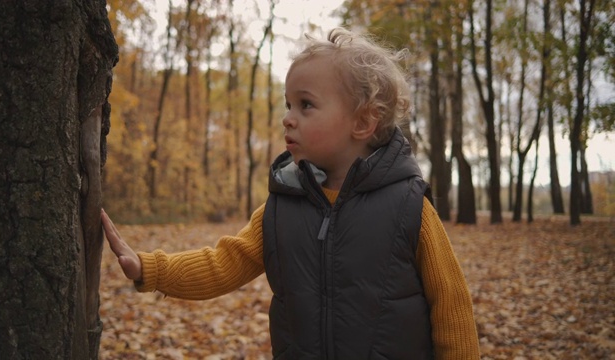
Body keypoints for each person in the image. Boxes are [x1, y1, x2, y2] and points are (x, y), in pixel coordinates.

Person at [102, 27, 480, 359]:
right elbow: (224, 263)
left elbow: (452, 309)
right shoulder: (282, 207)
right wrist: (151, 268)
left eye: (306, 104)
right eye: (288, 104)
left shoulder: (408, 207)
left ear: (363, 121)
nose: (287, 117)